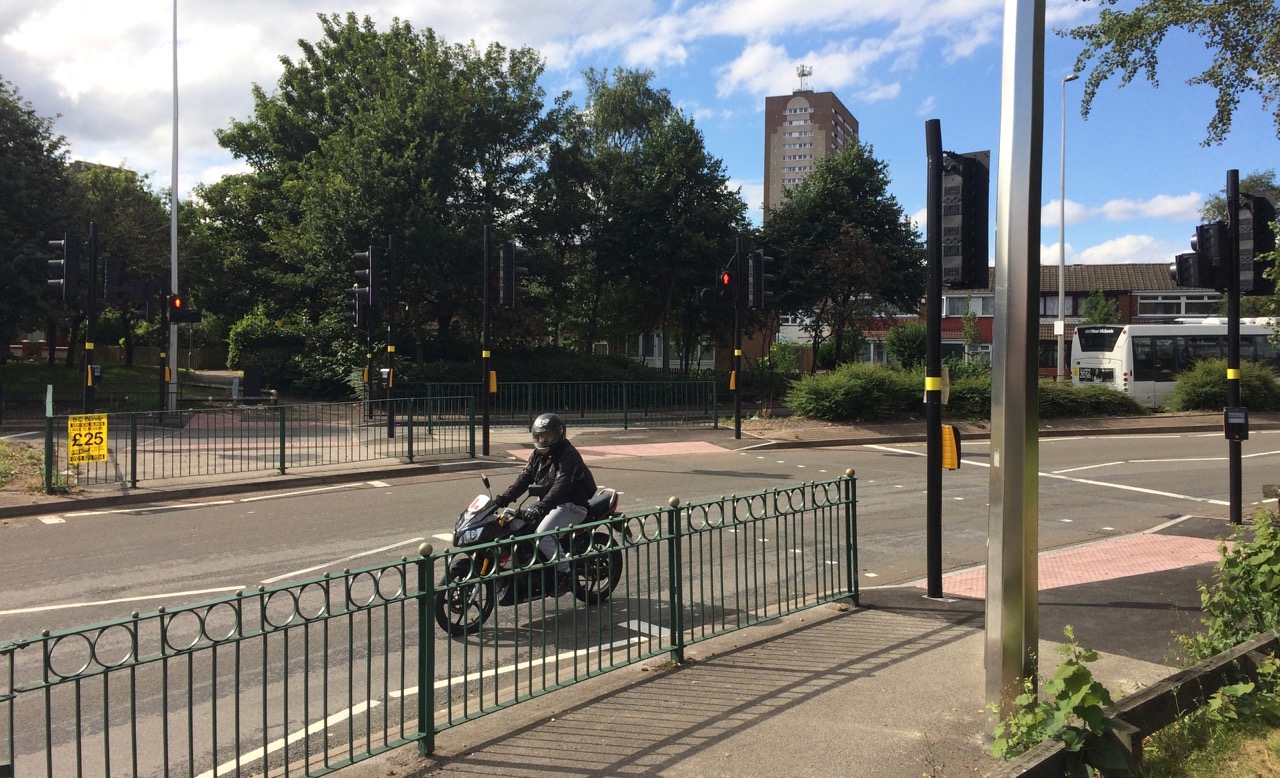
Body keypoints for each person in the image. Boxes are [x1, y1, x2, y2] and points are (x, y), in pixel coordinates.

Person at [492, 412, 597, 592]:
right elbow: (524, 479)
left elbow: (561, 485)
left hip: (572, 505)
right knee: (518, 524)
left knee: (542, 535)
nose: (543, 439)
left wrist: (541, 507)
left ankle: (565, 571)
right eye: (540, 435)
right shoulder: (537, 455)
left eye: (547, 435)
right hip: (550, 504)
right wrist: (503, 499)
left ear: (559, 434)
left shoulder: (568, 454)